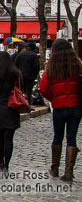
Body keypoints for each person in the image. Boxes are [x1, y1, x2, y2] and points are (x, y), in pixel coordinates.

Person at [39, 39, 81, 182]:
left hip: (59, 106)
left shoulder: (51, 66)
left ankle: (55, 167)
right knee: (72, 138)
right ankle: (69, 172)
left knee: (58, 136)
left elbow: (43, 88)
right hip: (75, 106)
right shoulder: (78, 64)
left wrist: (53, 98)